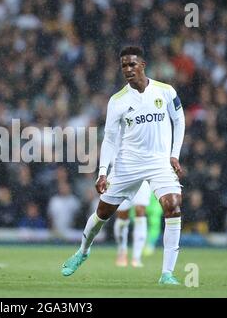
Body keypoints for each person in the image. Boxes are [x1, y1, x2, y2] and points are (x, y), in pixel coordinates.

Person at [61, 46, 185, 285]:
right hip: (128, 164)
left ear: (143, 65)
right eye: (124, 66)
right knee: (103, 214)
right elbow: (109, 139)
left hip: (159, 162)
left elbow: (179, 120)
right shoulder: (117, 101)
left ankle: (167, 274)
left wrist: (174, 154)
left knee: (173, 206)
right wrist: (103, 172)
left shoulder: (166, 91)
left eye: (132, 65)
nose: (128, 70)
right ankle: (83, 251)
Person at [114, 181, 150, 268]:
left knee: (140, 211)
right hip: (123, 178)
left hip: (142, 178)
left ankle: (137, 257)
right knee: (122, 216)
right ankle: (122, 251)